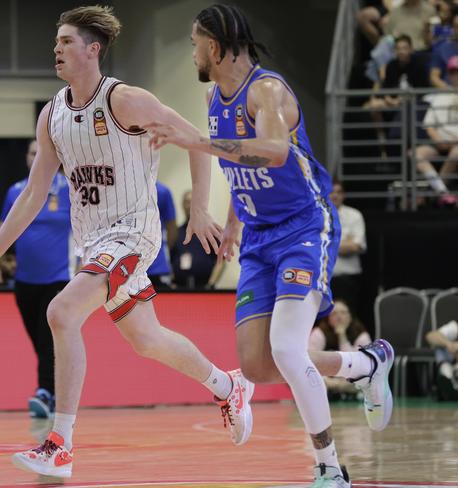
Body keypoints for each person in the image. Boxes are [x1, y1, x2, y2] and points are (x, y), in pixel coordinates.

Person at [0, 5, 249, 479]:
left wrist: (199, 209)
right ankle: (226, 385)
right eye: (56, 42)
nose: (57, 49)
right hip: (94, 243)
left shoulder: (126, 100)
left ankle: (59, 444)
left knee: (61, 312)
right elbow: (32, 194)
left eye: (66, 41)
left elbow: (196, 139)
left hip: (133, 232)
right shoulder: (52, 115)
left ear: (93, 50)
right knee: (147, 340)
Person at [145, 5, 395, 486]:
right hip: (259, 239)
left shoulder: (267, 91)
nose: (193, 51)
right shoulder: (215, 97)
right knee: (258, 366)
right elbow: (242, 168)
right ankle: (366, 363)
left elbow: (274, 151)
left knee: (286, 345)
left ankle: (328, 468)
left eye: (195, 43)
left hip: (304, 228)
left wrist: (196, 142)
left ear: (214, 47)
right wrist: (236, 221)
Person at [0, 138, 72, 418]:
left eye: (41, 152)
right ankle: (53, 392)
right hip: (25, 279)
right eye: (31, 153)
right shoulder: (15, 191)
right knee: (38, 340)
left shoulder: (70, 188)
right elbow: (4, 225)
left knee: (47, 336)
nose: (35, 157)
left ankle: (45, 392)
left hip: (59, 276)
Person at [415, 55, 458, 206]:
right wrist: (438, 140)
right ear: (449, 75)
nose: (456, 76)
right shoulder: (440, 96)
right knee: (416, 154)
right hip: (440, 142)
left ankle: (433, 193)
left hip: (456, 145)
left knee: (456, 152)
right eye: (453, 72)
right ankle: (442, 192)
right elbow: (429, 125)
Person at [309, 300, 372, 399]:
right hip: (326, 381)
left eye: (343, 312)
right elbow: (309, 361)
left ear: (350, 316)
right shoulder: (319, 333)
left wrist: (342, 337)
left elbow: (358, 365)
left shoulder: (361, 335)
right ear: (328, 318)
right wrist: (328, 382)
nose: (339, 317)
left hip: (352, 382)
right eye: (334, 313)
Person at [171, 190, 224, 289]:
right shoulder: (176, 233)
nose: (189, 206)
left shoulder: (211, 232)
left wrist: (211, 284)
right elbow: (171, 258)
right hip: (180, 289)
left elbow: (221, 259)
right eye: (186, 202)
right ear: (182, 205)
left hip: (204, 289)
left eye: (192, 202)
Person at [329, 181, 367, 315]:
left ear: (343, 195)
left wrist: (328, 243)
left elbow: (356, 246)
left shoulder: (354, 215)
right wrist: (345, 242)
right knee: (325, 321)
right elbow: (313, 245)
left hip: (348, 278)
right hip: (324, 279)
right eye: (331, 192)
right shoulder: (317, 216)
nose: (335, 195)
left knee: (349, 316)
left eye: (338, 192)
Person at [146, 181, 177, 290]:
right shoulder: (127, 188)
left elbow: (171, 226)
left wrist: (166, 250)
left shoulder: (162, 191)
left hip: (157, 265)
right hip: (131, 262)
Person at [426, 318, 458, 400]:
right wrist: (449, 344)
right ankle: (448, 377)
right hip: (451, 364)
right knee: (440, 348)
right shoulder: (455, 327)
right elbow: (430, 336)